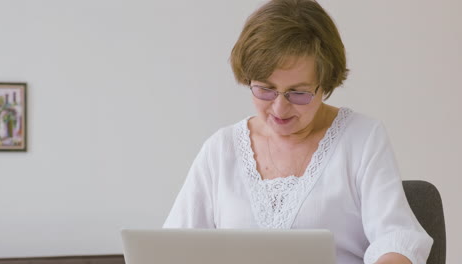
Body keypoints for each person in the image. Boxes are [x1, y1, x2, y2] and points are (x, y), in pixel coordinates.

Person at [163, 0, 433, 263]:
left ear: (325, 84)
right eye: (265, 89)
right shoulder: (221, 150)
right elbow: (172, 248)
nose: (280, 109)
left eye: (299, 93)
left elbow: (395, 237)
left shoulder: (362, 138)